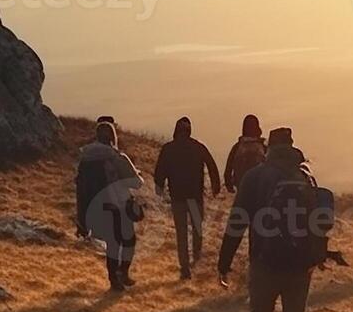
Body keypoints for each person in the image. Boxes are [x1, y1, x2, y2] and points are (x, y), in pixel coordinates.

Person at [219, 127, 325, 312]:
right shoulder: (305, 176)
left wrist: (224, 262)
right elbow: (319, 220)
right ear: (291, 145)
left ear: (270, 147)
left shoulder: (255, 176)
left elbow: (237, 222)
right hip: (301, 268)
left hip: (264, 262)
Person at [75, 120, 144, 292]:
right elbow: (136, 183)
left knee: (112, 243)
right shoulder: (117, 157)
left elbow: (81, 187)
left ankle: (114, 280)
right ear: (113, 137)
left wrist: (81, 218)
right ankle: (123, 273)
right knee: (128, 241)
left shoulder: (86, 159)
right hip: (118, 204)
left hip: (97, 206)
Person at [153, 116, 221, 280]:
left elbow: (160, 170)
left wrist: (159, 186)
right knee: (197, 228)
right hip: (195, 197)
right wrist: (215, 186)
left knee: (181, 233)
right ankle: (196, 255)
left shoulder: (168, 148)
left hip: (178, 197)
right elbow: (212, 166)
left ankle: (184, 267)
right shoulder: (197, 147)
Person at [224, 114, 267, 194]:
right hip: (260, 191)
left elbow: (228, 170)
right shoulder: (263, 148)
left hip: (242, 190)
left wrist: (229, 185)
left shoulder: (237, 147)